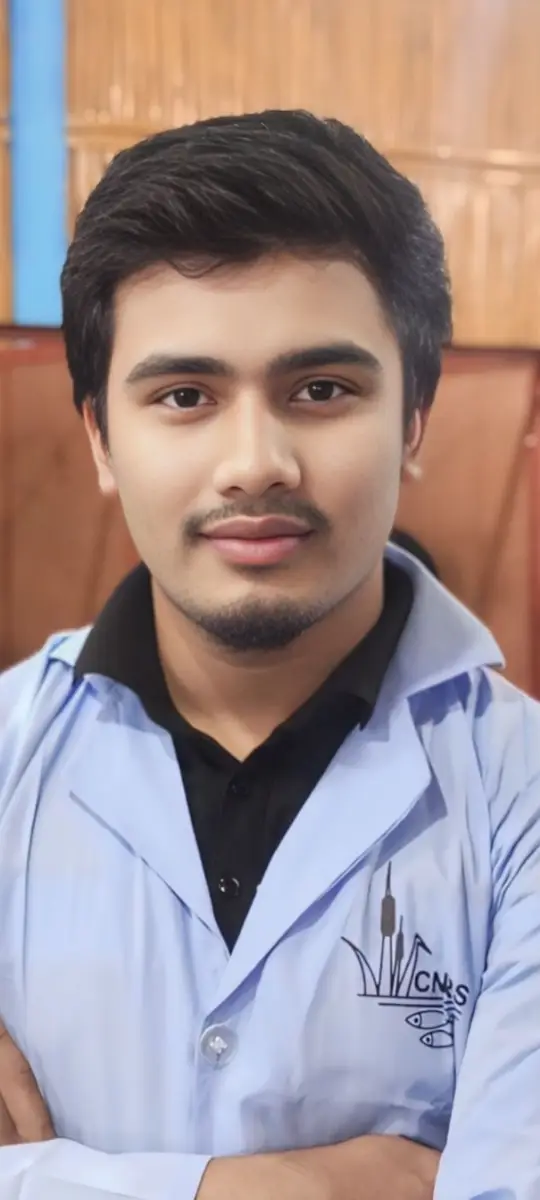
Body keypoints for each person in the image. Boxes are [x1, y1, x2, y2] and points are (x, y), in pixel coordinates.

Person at [0, 109, 538, 1200]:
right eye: (185, 396)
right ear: (101, 437)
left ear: (414, 418)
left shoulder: (519, 791)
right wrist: (269, 1189)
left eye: (321, 390)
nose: (255, 462)